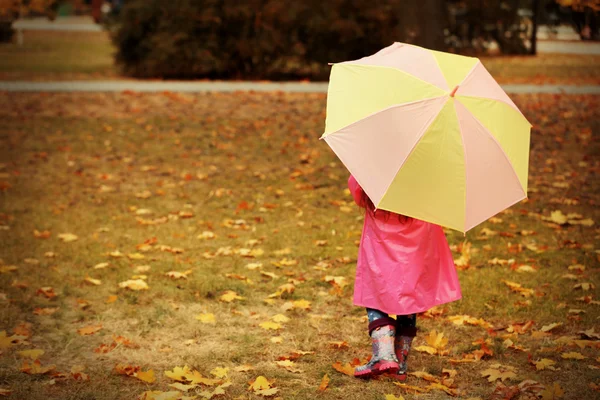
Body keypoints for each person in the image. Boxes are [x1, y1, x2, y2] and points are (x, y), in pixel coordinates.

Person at [348, 175, 462, 381]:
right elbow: (436, 199)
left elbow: (357, 192)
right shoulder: (424, 172)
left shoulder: (373, 168)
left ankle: (384, 353)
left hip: (380, 243)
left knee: (375, 292)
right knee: (411, 294)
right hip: (417, 244)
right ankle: (399, 359)